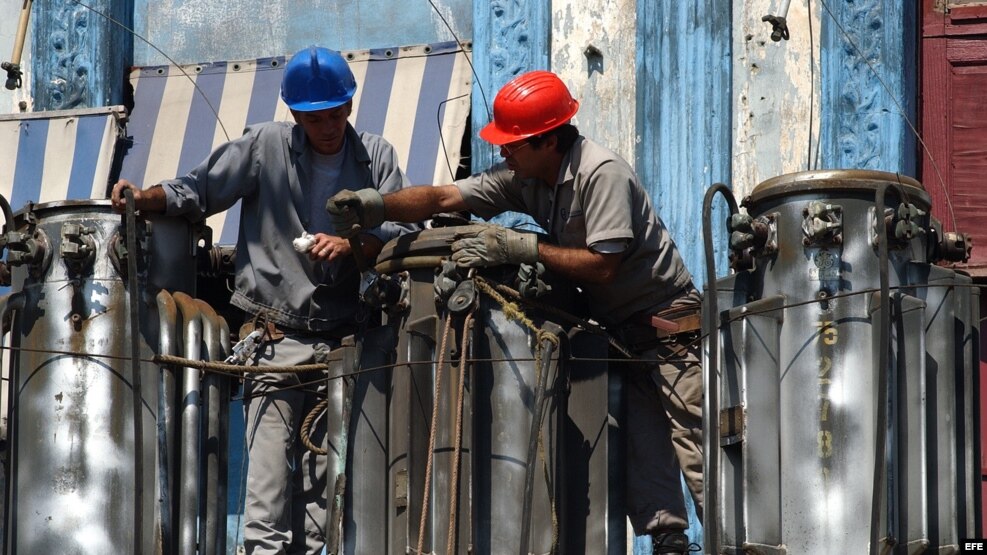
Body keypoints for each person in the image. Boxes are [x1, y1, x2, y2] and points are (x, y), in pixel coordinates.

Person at [327, 70, 704, 554]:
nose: (503, 153)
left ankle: (742, 542)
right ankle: (671, 544)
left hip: (669, 329)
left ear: (547, 140)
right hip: (621, 336)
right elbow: (445, 197)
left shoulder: (600, 172)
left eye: (513, 144)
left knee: (701, 455)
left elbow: (605, 266)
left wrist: (522, 247)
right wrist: (373, 206)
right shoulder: (528, 179)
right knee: (644, 461)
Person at [111, 46, 416, 555]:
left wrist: (354, 243)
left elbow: (404, 231)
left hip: (347, 346)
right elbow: (198, 190)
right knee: (267, 502)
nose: (329, 126)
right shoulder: (264, 145)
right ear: (296, 115)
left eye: (337, 114)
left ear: (350, 107)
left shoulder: (378, 157)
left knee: (326, 508)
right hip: (273, 345)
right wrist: (144, 199)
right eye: (316, 118)